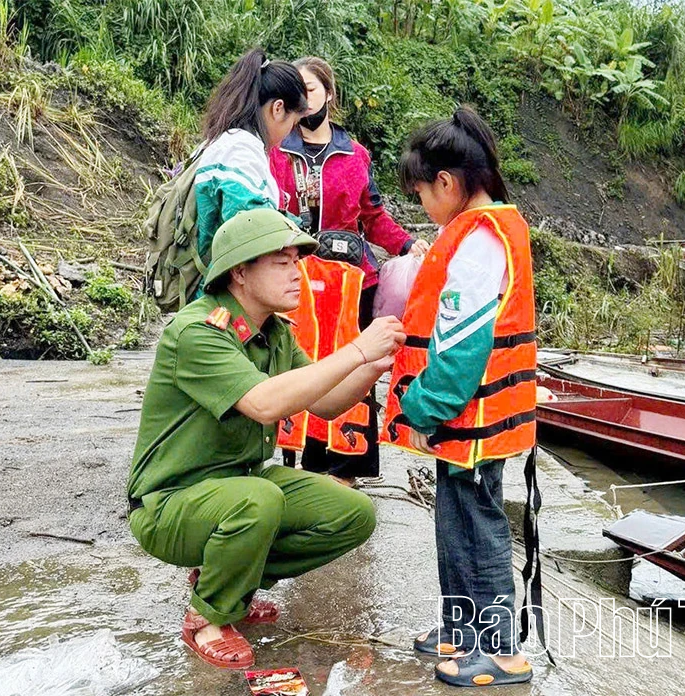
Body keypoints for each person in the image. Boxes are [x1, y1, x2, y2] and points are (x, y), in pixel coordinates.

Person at [127, 208, 406, 670]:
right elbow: (264, 404)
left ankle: (228, 583)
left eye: (297, 261)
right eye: (282, 263)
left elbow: (327, 404)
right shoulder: (197, 331)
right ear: (240, 271)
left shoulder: (273, 333)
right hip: (169, 504)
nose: (297, 274)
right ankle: (208, 618)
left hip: (238, 485)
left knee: (351, 512)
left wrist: (371, 368)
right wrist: (356, 348)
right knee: (259, 500)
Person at [380, 107, 538, 688]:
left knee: (477, 526)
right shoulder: (474, 233)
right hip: (468, 419)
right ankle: (461, 629)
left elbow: (462, 350)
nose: (422, 206)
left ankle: (500, 650)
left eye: (420, 192)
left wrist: (420, 407)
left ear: (446, 182)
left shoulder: (479, 243)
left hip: (474, 416)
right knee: (454, 521)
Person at [269, 56, 430, 486]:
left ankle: (346, 468)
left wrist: (409, 244)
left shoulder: (356, 154)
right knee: (299, 366)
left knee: (353, 367)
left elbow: (374, 217)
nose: (304, 101)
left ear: (330, 95)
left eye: (312, 90)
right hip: (297, 277)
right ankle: (297, 465)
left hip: (352, 281)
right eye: (297, 92)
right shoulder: (278, 151)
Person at [194, 48, 309, 268]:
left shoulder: (224, 142)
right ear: (278, 109)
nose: (288, 134)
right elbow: (252, 233)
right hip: (214, 295)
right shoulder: (241, 151)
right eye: (293, 124)